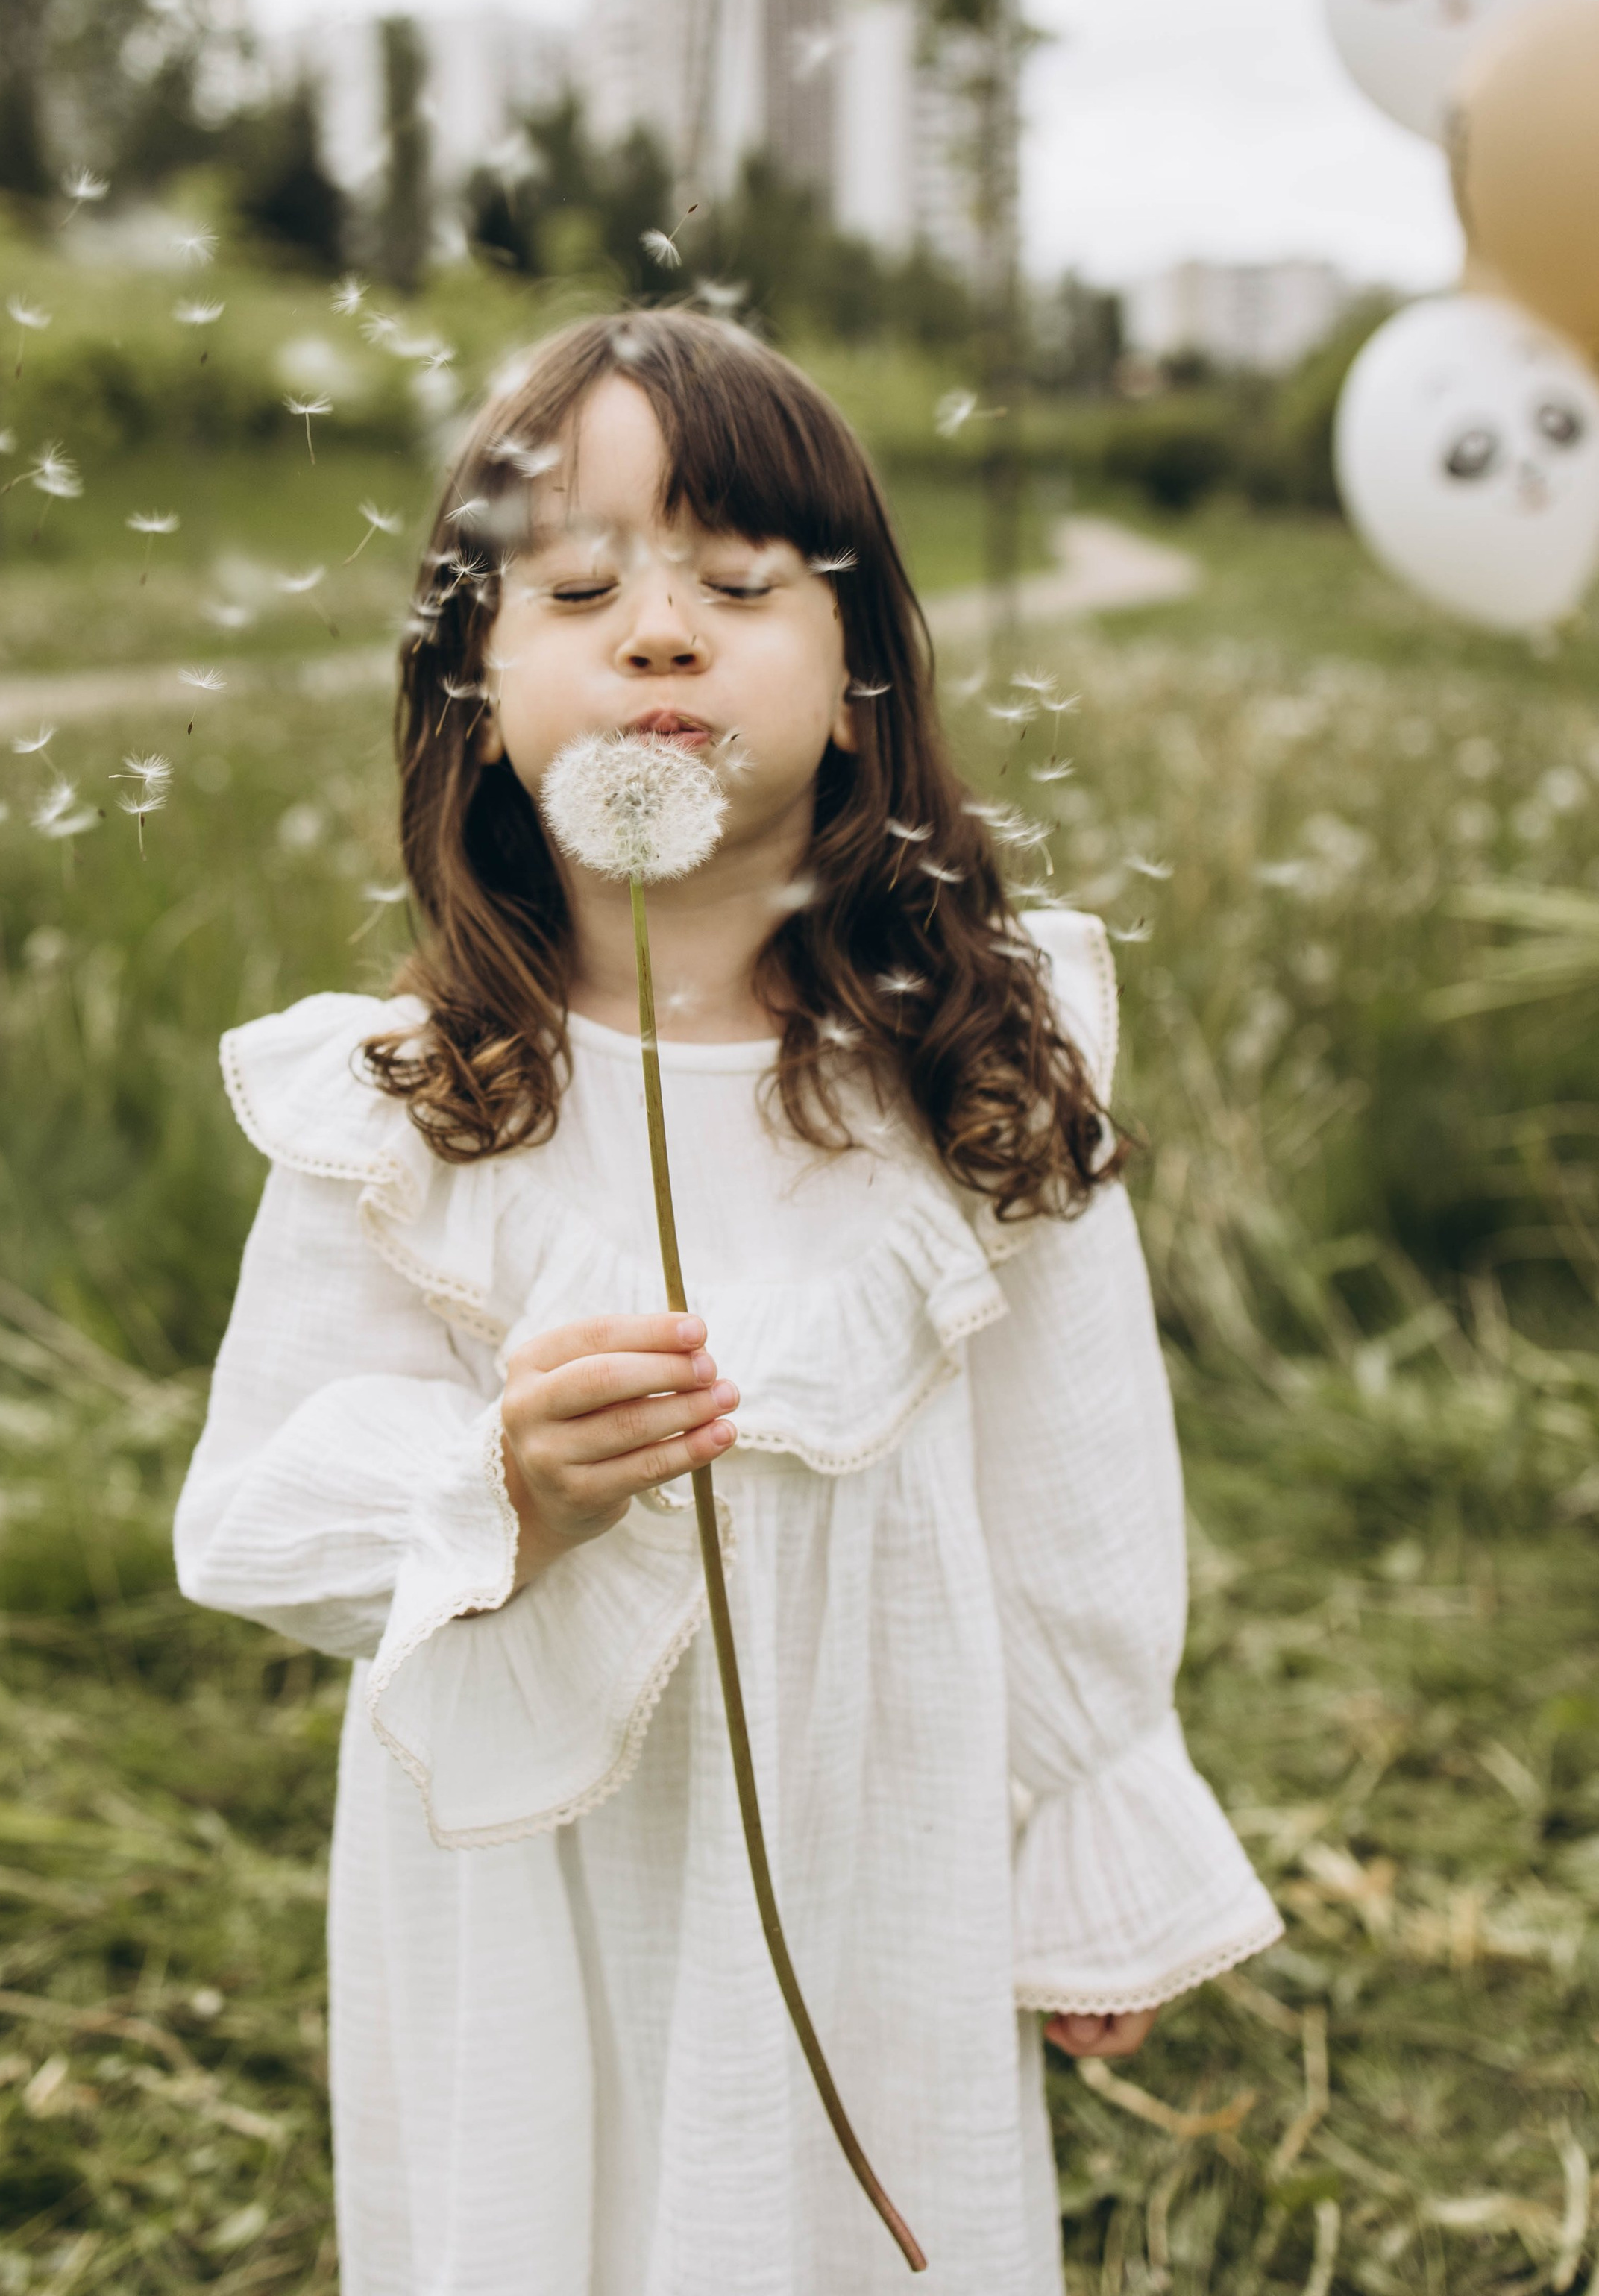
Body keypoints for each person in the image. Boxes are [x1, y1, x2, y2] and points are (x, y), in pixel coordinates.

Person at [175, 310, 1283, 2296]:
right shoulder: (411, 1106)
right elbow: (255, 1511)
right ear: (475, 699)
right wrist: (504, 1488)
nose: (662, 635)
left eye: (741, 585)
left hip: (876, 1841)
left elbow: (1073, 1481)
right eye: (578, 590)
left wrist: (1086, 1811)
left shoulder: (972, 1073)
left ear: (859, 691)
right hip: (527, 1878)